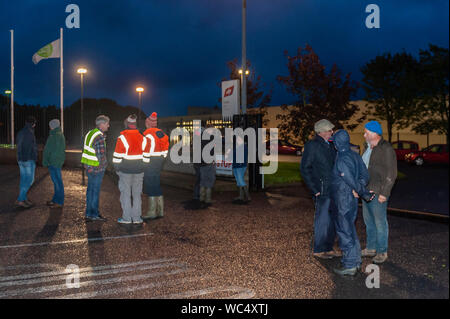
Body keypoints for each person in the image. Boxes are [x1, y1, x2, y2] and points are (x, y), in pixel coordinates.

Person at [330, 129, 375, 276]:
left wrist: (363, 192)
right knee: (350, 229)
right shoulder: (355, 156)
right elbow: (365, 175)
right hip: (352, 199)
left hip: (343, 199)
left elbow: (349, 179)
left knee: (344, 231)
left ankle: (350, 265)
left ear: (336, 144)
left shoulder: (342, 159)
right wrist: (359, 188)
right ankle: (355, 261)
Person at [300, 119, 340, 259]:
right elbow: (305, 168)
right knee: (322, 220)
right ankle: (318, 249)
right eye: (330, 130)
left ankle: (328, 247)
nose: (332, 132)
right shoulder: (312, 145)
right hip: (322, 189)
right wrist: (314, 189)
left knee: (332, 220)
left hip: (333, 188)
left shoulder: (330, 145)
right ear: (322, 132)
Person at [361, 121, 397, 264]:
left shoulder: (386, 149)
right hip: (365, 191)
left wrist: (385, 193)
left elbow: (391, 173)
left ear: (375, 133)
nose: (364, 135)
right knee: (368, 221)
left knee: (380, 223)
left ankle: (382, 251)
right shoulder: (368, 147)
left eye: (366, 133)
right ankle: (371, 248)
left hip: (378, 192)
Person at [113, 114, 149, 224]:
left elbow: (117, 156)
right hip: (139, 171)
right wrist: (143, 167)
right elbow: (146, 156)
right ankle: (137, 218)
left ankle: (127, 218)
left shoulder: (122, 138)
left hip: (125, 171)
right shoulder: (143, 138)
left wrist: (117, 168)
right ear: (135, 125)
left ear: (127, 124)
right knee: (137, 195)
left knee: (126, 195)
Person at [81, 115, 110, 222]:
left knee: (90, 190)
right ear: (102, 124)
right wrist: (105, 165)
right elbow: (101, 155)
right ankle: (94, 214)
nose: (108, 126)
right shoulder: (99, 136)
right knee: (95, 191)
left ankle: (89, 213)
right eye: (107, 124)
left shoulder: (90, 133)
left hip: (88, 166)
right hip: (97, 169)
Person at [142, 112, 169, 220]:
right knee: (156, 184)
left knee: (150, 185)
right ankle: (160, 210)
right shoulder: (161, 133)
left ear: (148, 123)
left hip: (150, 162)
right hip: (158, 161)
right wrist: (162, 158)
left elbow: (146, 150)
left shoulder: (147, 133)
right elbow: (166, 147)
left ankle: (152, 212)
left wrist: (144, 162)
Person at [42, 119, 66, 208]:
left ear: (52, 126)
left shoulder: (53, 136)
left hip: (53, 162)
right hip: (58, 161)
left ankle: (58, 202)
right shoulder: (60, 135)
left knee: (57, 182)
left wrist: (45, 162)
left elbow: (47, 150)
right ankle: (56, 200)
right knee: (57, 182)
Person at [15, 116, 38, 208]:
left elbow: (19, 146)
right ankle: (20, 199)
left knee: (24, 180)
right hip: (28, 160)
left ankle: (23, 198)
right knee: (30, 180)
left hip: (21, 160)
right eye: (35, 123)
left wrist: (19, 158)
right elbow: (31, 147)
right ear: (32, 123)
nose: (35, 125)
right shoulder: (29, 133)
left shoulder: (21, 132)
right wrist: (33, 157)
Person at [230, 134, 250, 204]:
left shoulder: (243, 146)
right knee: (239, 181)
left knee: (241, 181)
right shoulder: (238, 146)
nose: (237, 140)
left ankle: (247, 197)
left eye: (239, 139)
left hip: (240, 166)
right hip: (236, 166)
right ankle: (241, 196)